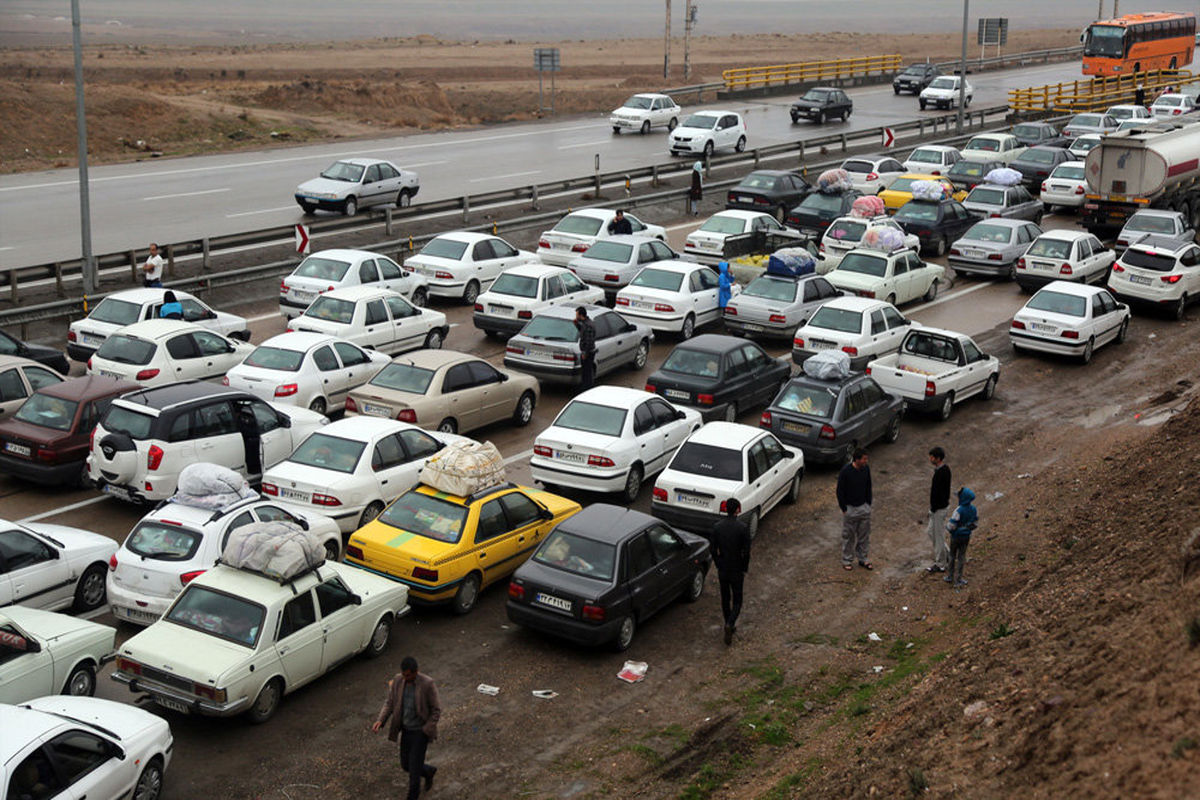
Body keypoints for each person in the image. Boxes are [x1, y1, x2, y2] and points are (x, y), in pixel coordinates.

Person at [373, 656, 442, 800]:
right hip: (406, 730)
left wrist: (426, 729)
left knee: (414, 775)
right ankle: (429, 771)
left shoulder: (427, 684)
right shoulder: (398, 681)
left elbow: (436, 710)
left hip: (420, 732)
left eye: (409, 675)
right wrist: (381, 720)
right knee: (406, 765)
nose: (406, 678)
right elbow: (390, 703)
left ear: (416, 672)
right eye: (404, 675)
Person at [711, 497, 751, 646]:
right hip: (736, 568)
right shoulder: (742, 528)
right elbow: (746, 551)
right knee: (738, 599)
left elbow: (713, 549)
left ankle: (728, 622)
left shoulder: (717, 527)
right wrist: (744, 566)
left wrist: (718, 563)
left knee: (725, 598)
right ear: (738, 510)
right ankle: (730, 623)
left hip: (723, 568)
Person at [836, 448, 872, 571]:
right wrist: (844, 508)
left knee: (864, 536)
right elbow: (840, 490)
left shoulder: (866, 469)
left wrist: (868, 503)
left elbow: (868, 486)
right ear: (857, 459)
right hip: (850, 508)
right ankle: (847, 560)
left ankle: (863, 559)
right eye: (864, 459)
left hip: (863, 507)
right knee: (849, 536)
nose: (866, 461)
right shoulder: (846, 471)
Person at [944, 487, 978, 587]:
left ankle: (950, 576)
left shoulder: (959, 510)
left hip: (956, 537)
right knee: (961, 557)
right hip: (966, 537)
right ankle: (959, 579)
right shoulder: (973, 509)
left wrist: (949, 529)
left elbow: (951, 525)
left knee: (952, 555)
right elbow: (975, 524)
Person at [926, 446, 951, 574]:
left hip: (939, 509)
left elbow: (939, 493)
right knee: (931, 532)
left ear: (938, 458)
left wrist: (934, 508)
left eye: (932, 457)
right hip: (937, 508)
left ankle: (941, 563)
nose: (930, 459)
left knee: (938, 535)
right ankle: (947, 554)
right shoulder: (942, 471)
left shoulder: (942, 472)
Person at [575, 306, 597, 390]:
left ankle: (587, 389)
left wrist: (585, 353)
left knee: (587, 372)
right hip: (586, 352)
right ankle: (585, 387)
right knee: (585, 372)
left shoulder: (588, 325)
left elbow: (589, 341)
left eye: (577, 314)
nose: (576, 316)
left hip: (588, 353)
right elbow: (583, 333)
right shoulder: (585, 323)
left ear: (581, 315)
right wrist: (576, 325)